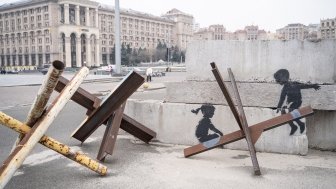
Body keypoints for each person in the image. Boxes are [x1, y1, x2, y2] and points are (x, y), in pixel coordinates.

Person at [274, 69, 320, 135]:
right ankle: (294, 126)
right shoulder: (285, 88)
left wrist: (313, 86)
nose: (277, 82)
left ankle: (301, 124)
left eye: (278, 80)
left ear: (283, 78)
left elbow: (305, 86)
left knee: (290, 112)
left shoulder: (295, 84)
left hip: (297, 102)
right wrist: (278, 107)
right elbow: (282, 98)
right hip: (290, 103)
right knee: (283, 112)